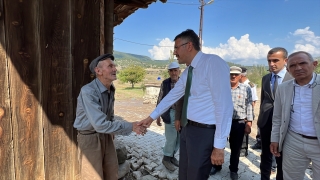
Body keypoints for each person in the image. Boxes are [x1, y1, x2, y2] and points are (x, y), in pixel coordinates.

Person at [138, 29, 233, 180]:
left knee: (196, 176)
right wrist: (150, 118)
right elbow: (172, 96)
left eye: (176, 47)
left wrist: (219, 146)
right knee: (185, 174)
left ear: (189, 45)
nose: (174, 52)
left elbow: (224, 106)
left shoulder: (213, 63)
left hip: (204, 132)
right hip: (188, 129)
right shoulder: (189, 71)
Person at [73, 54, 146, 180]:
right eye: (110, 66)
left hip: (106, 135)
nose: (115, 69)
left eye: (114, 66)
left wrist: (112, 131)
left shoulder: (110, 88)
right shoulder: (88, 91)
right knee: (93, 176)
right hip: (89, 138)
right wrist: (131, 126)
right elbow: (100, 124)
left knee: (111, 172)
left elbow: (110, 114)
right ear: (98, 71)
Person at [270, 51, 320, 180]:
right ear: (288, 69)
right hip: (293, 141)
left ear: (314, 64)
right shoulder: (283, 88)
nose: (298, 68)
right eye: (292, 66)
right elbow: (277, 117)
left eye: (303, 63)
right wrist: (275, 139)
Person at [211, 66, 253, 180]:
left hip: (238, 123)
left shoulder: (246, 89)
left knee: (236, 148)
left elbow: (249, 106)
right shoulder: (221, 88)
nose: (233, 76)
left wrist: (249, 123)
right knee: (219, 145)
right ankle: (216, 165)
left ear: (240, 76)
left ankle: (233, 170)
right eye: (231, 74)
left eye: (236, 74)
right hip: (222, 122)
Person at [257, 47, 293, 180]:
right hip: (266, 123)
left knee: (281, 158)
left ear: (285, 60)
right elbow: (263, 100)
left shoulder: (292, 78)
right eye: (269, 61)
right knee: (265, 155)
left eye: (275, 60)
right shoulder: (266, 78)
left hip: (285, 125)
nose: (271, 64)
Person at [156, 62, 183, 171]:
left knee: (180, 138)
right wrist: (157, 115)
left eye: (175, 70)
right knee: (171, 138)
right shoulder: (165, 83)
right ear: (169, 72)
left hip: (181, 114)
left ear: (179, 71)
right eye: (171, 71)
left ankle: (171, 156)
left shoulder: (183, 82)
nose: (173, 73)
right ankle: (166, 158)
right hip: (170, 113)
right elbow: (160, 99)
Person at [239, 67, 258, 157]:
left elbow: (253, 101)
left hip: (247, 112)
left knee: (245, 131)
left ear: (241, 76)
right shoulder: (238, 84)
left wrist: (248, 115)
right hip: (239, 112)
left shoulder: (250, 85)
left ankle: (243, 150)